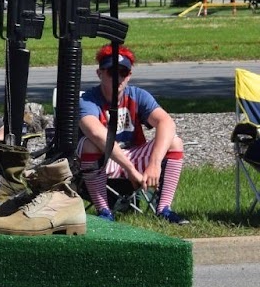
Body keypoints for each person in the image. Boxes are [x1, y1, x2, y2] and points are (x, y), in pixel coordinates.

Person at [78, 44, 188, 224]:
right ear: (100, 74)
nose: (118, 78)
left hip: (134, 154)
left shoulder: (138, 95)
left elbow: (166, 122)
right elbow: (98, 134)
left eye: (123, 72)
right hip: (104, 158)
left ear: (129, 75)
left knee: (175, 142)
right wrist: (130, 170)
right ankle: (104, 211)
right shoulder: (88, 100)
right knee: (90, 144)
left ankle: (163, 210)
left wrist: (154, 164)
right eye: (112, 72)